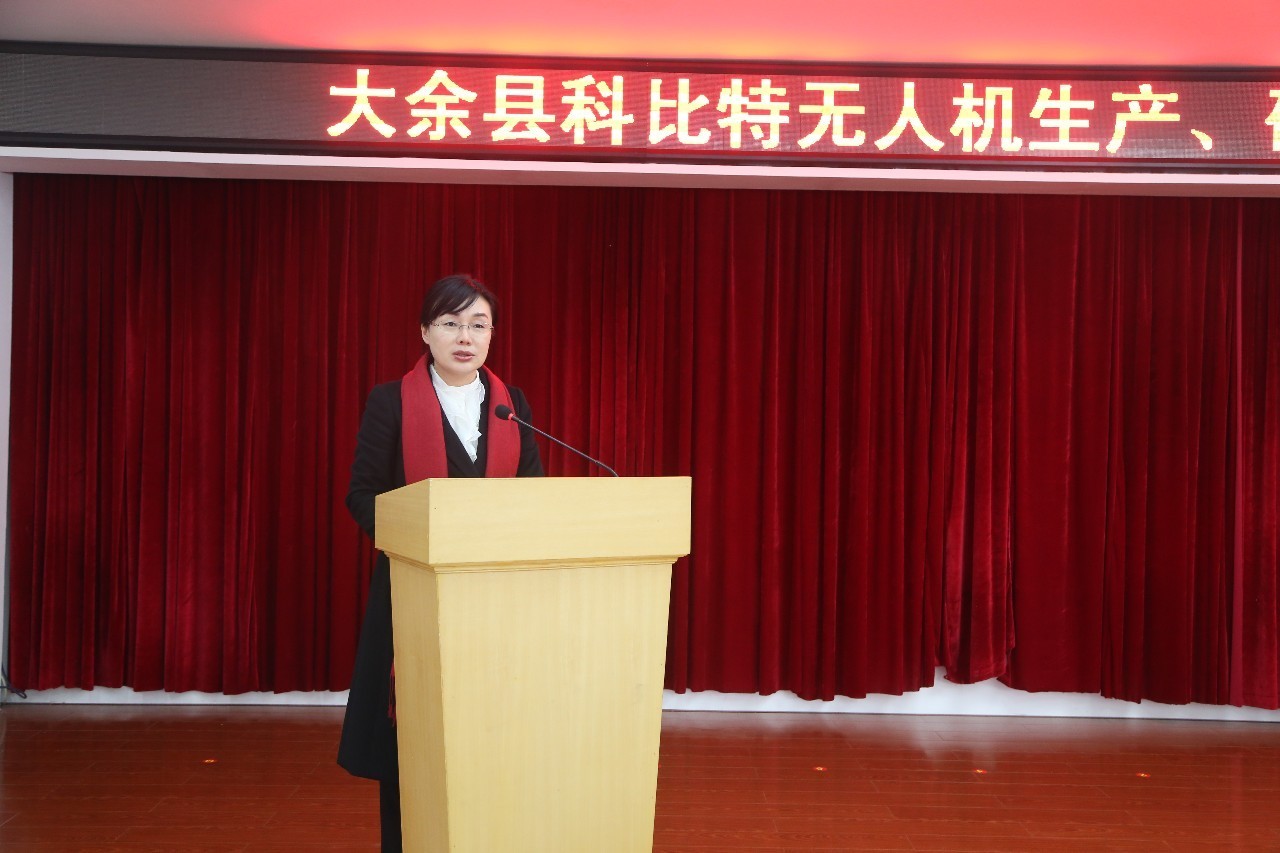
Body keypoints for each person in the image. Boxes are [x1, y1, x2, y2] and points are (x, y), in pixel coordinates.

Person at [338, 274, 544, 852]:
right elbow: (362, 493)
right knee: (413, 736)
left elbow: (534, 493)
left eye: (478, 325)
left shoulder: (511, 405)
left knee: (490, 734)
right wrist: (418, 539)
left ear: (492, 335)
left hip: (495, 600)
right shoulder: (390, 401)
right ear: (426, 332)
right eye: (451, 323)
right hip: (412, 591)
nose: (465, 337)